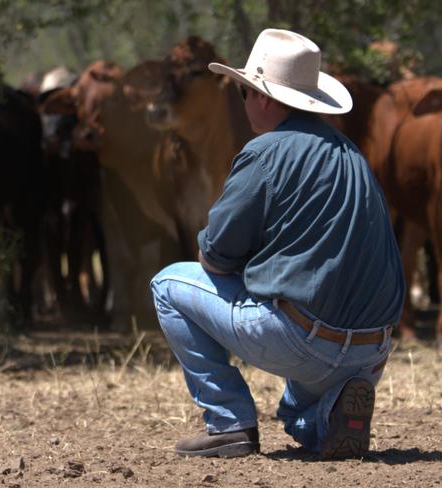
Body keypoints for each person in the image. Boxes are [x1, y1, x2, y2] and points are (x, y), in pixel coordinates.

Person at [150, 28, 405, 459]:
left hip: (305, 340)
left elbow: (214, 258)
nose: (243, 100)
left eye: (245, 90)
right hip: (373, 350)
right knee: (293, 413)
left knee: (168, 284)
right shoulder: (351, 155)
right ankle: (329, 416)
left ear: (265, 98)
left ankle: (228, 423)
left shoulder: (263, 153)